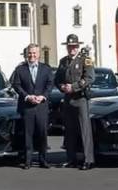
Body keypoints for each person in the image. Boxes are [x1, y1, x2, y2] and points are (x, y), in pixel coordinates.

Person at [54, 33, 95, 170]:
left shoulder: (85, 60)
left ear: (78, 47)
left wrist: (74, 87)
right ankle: (71, 158)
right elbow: (58, 78)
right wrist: (62, 87)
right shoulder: (63, 61)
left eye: (74, 46)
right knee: (69, 131)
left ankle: (88, 159)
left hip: (80, 98)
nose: (72, 49)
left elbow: (89, 78)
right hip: (68, 99)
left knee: (84, 130)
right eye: (70, 46)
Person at [10, 43, 53, 169]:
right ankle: (28, 161)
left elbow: (50, 84)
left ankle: (43, 159)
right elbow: (16, 85)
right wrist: (27, 96)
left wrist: (43, 96)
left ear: (38, 55)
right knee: (27, 134)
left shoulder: (46, 69)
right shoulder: (20, 69)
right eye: (30, 53)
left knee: (42, 133)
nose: (32, 55)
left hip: (41, 106)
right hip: (27, 106)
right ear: (26, 54)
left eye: (34, 53)